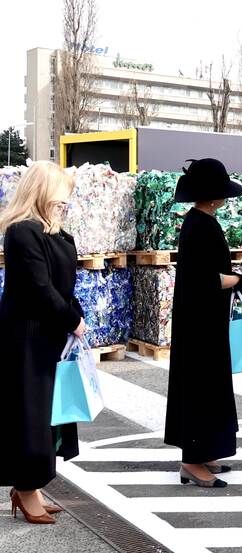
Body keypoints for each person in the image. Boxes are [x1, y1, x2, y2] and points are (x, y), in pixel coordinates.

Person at [0, 161, 87, 524]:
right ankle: (25, 487)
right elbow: (39, 287)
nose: (64, 203)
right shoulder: (23, 232)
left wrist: (75, 316)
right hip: (27, 338)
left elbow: (63, 284)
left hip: (49, 335)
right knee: (30, 417)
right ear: (44, 192)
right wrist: (72, 319)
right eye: (60, 197)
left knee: (46, 418)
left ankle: (31, 487)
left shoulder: (53, 234)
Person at [164, 158, 242, 488]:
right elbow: (201, 279)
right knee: (200, 388)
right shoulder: (199, 226)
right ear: (214, 197)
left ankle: (204, 453)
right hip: (199, 324)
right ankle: (191, 461)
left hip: (204, 321)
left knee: (208, 387)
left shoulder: (201, 221)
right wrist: (238, 280)